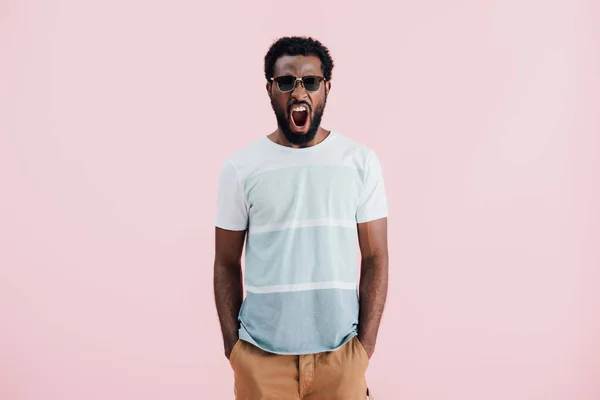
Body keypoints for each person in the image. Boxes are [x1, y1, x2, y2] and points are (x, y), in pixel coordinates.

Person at [213, 36, 389, 400]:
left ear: (326, 88)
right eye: (286, 82)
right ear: (269, 89)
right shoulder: (241, 168)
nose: (299, 91)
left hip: (340, 358)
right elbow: (226, 262)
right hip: (261, 361)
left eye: (310, 82)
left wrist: (364, 348)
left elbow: (376, 257)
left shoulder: (359, 162)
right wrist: (235, 350)